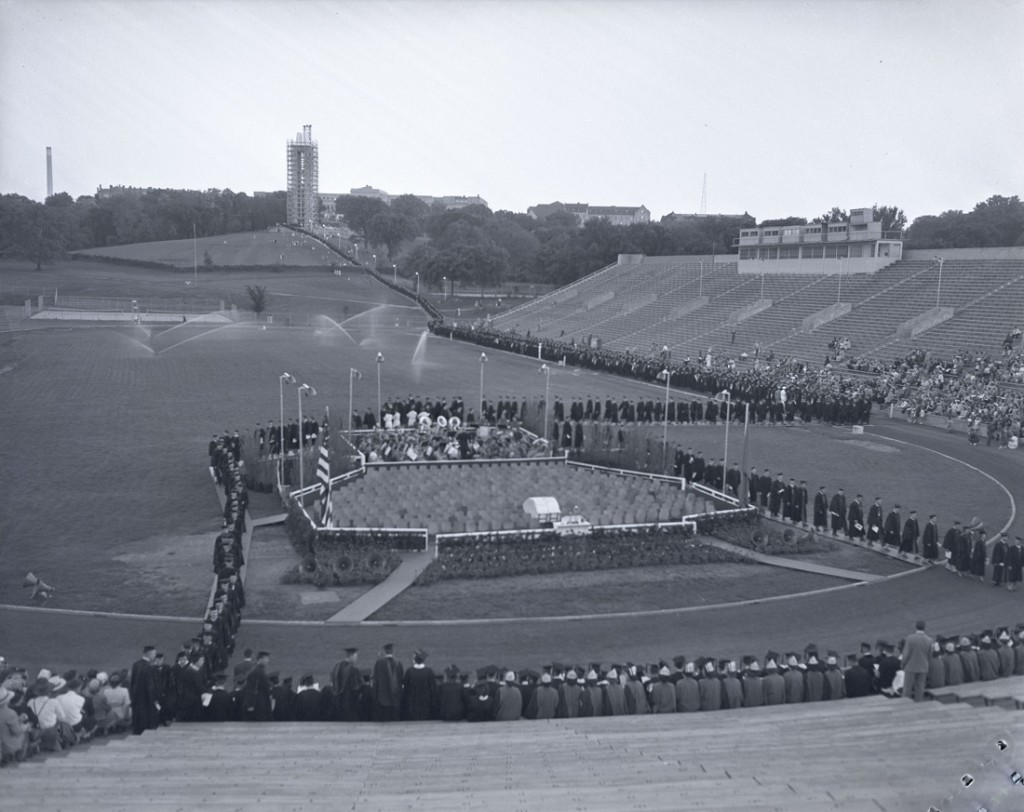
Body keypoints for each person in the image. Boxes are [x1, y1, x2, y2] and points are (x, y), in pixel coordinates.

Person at [129, 645, 161, 735]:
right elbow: (150, 686)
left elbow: (132, 682)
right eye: (154, 654)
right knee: (146, 725)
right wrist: (155, 701)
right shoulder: (149, 667)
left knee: (137, 725)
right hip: (146, 702)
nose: (155, 656)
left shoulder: (136, 665)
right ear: (150, 654)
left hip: (136, 700)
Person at [901, 620, 932, 702]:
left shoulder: (910, 638)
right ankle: (919, 705)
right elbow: (929, 656)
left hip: (911, 667)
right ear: (924, 628)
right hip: (923, 667)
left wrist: (903, 664)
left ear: (916, 627)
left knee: (907, 689)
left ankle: (904, 705)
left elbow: (906, 654)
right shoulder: (929, 640)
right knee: (920, 689)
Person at [371, 643, 404, 722]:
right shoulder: (399, 664)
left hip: (383, 699)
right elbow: (401, 680)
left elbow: (375, 681)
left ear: (384, 652)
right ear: (393, 651)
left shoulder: (379, 663)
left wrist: (375, 696)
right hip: (396, 699)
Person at [402, 650, 436, 721]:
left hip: (412, 705)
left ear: (414, 659)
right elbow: (433, 689)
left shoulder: (409, 671)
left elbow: (406, 689)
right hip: (426, 705)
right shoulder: (429, 672)